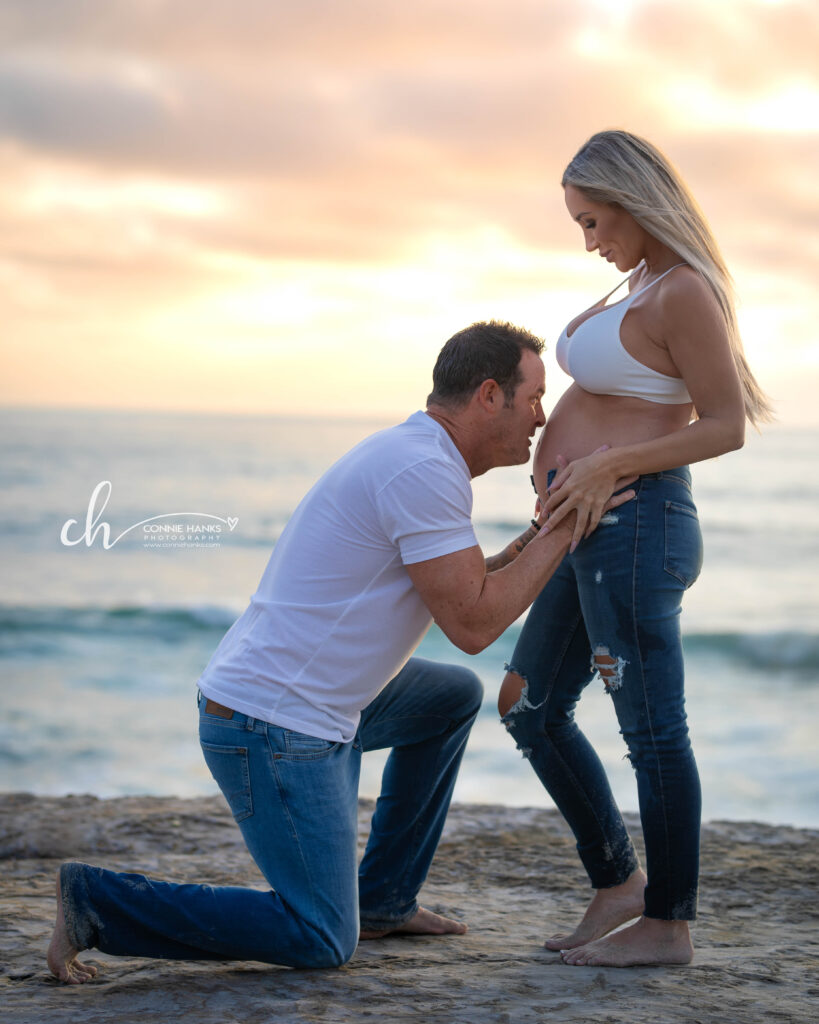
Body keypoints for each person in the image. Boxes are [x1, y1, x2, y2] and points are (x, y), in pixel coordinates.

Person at [48, 320, 635, 984]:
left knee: (450, 697)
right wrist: (569, 522)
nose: (541, 417)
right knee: (323, 935)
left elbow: (461, 586)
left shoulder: (419, 455)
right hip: (272, 724)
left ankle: (384, 898)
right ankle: (96, 905)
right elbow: (474, 625)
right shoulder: (423, 470)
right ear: (489, 395)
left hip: (294, 700)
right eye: (533, 398)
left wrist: (533, 536)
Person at [498, 130, 771, 969]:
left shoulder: (684, 289)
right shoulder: (638, 281)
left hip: (637, 525)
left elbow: (724, 425)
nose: (588, 242)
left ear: (633, 199)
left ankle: (668, 922)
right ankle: (618, 883)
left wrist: (608, 464)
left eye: (592, 221)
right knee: (526, 706)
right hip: (584, 528)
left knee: (651, 730)